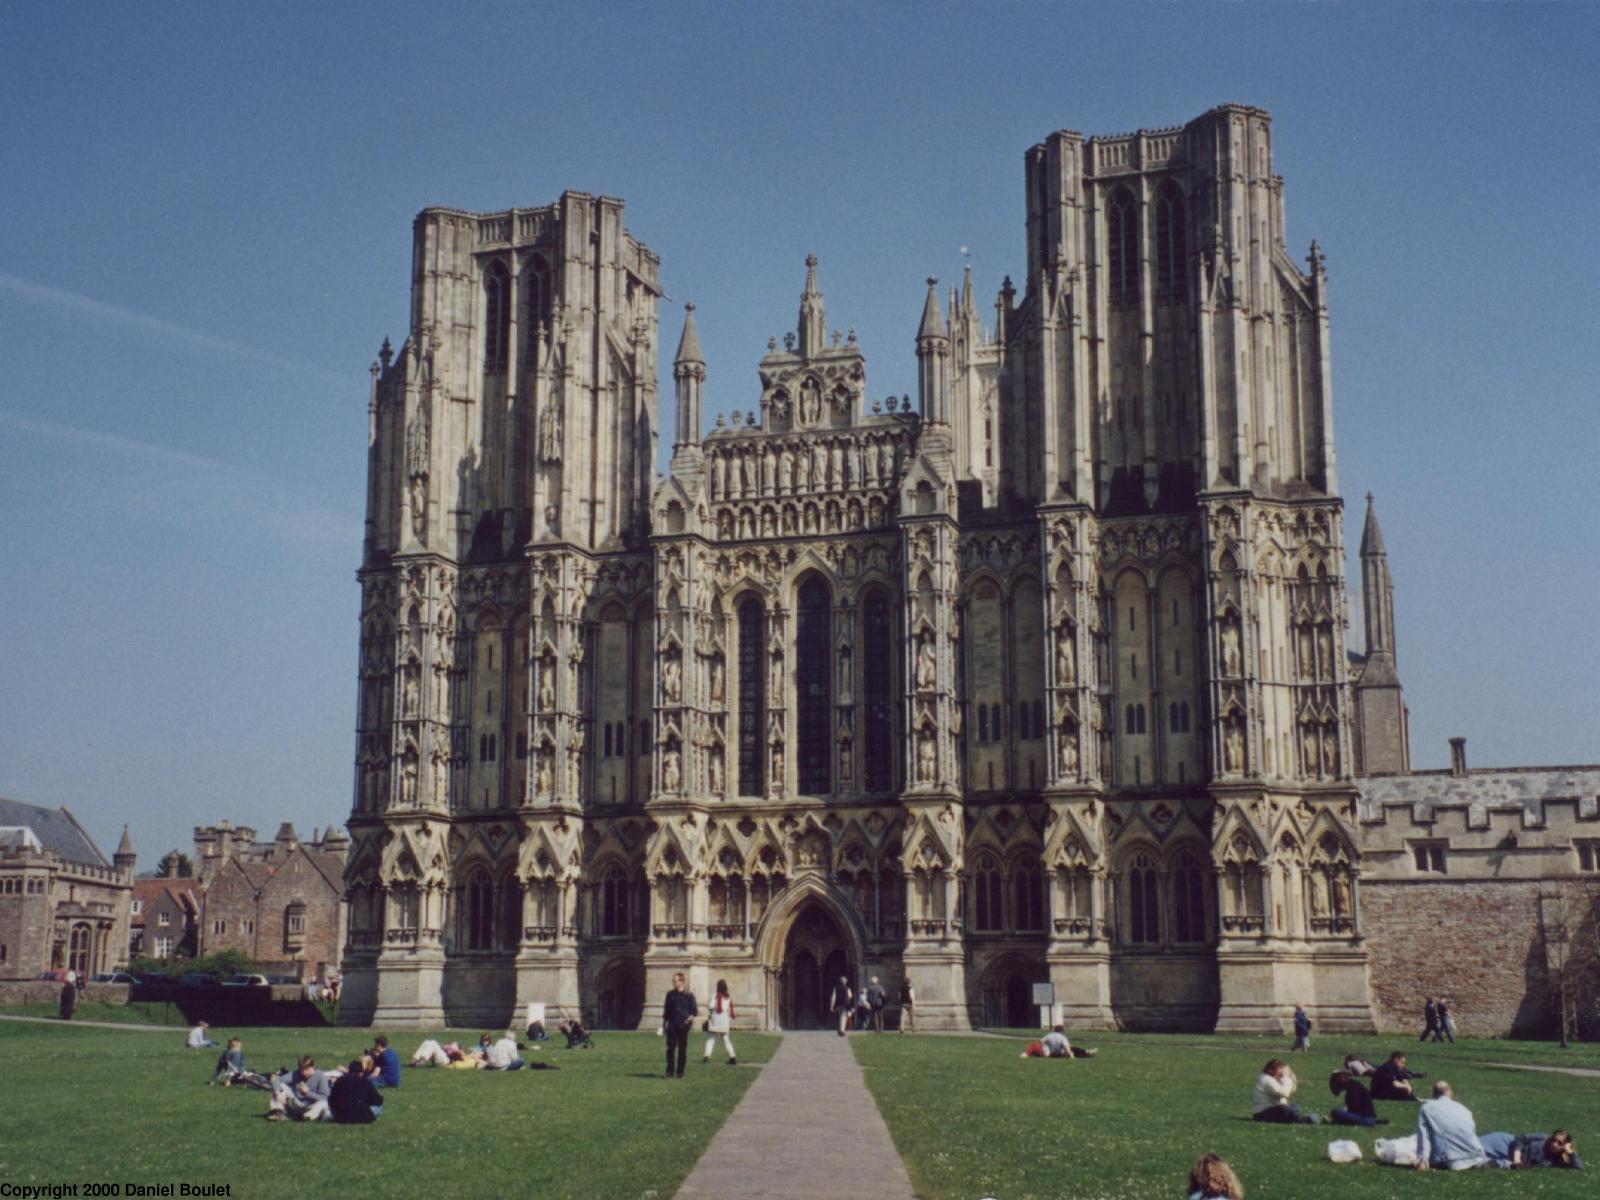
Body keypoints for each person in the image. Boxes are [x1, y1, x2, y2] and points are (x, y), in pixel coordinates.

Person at [1414, 1081, 1487, 1171]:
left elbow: (1423, 1136)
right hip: (1475, 1154)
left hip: (1449, 1158)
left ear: (1434, 1094)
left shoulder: (1427, 1108)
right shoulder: (1464, 1109)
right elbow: (1472, 1132)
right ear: (1450, 1092)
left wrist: (1422, 1159)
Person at [1251, 1058, 1319, 1124]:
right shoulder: (1266, 1079)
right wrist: (1286, 1077)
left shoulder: (1272, 1078)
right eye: (1279, 1069)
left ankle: (1304, 1118)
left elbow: (1290, 1091)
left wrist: (1293, 1079)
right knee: (1288, 1110)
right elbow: (1285, 1093)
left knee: (1294, 1106)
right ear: (1270, 1070)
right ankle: (1305, 1119)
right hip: (1262, 1113)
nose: (1281, 1071)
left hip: (1271, 1110)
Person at [267, 1056, 332, 1122]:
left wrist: (307, 1093)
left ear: (312, 1067)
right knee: (280, 1087)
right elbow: (276, 1079)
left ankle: (307, 1117)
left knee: (324, 1103)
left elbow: (324, 1097)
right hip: (296, 1103)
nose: (303, 1072)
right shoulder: (296, 1073)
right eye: (301, 1069)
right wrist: (278, 1093)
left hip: (312, 1106)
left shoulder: (320, 1076)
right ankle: (278, 1112)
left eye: (306, 1069)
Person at [1479, 1129, 1583, 1170]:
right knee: (1472, 1147)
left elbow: (1578, 1167)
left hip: (1506, 1160)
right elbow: (1521, 1138)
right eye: (1554, 1140)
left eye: (1559, 1143)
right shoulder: (1543, 1137)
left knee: (1475, 1160)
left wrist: (1569, 1151)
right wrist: (1517, 1159)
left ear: (1565, 1145)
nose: (1554, 1144)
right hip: (1504, 1143)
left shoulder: (1556, 1160)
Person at [661, 971, 698, 1078]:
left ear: (682, 982)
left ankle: (680, 1071)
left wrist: (688, 1019)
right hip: (672, 1023)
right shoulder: (670, 995)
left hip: (684, 1025)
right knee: (670, 1048)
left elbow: (694, 1011)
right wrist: (664, 1025)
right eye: (673, 981)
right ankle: (669, 1071)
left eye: (675, 981)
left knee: (682, 1049)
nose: (673, 983)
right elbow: (666, 1011)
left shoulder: (689, 995)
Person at [329, 1059, 383, 1124]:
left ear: (349, 1071)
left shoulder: (339, 1081)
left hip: (341, 1117)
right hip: (363, 1117)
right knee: (379, 1107)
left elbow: (332, 1099)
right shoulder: (365, 1082)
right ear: (361, 1072)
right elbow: (377, 1100)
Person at [703, 978, 736, 1065]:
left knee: (711, 1038)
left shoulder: (715, 995)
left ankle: (706, 1056)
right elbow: (729, 1009)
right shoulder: (727, 997)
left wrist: (708, 1005)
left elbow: (712, 1006)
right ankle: (732, 1056)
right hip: (724, 1019)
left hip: (715, 1018)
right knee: (726, 1039)